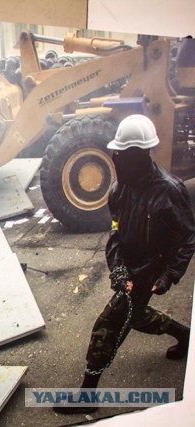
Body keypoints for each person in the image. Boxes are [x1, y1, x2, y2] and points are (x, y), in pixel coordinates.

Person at [55, 114, 195, 414]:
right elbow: (116, 234)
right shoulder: (120, 189)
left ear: (143, 154)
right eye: (116, 152)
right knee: (134, 314)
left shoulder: (169, 191)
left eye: (124, 154)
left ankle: (87, 396)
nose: (117, 158)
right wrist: (117, 267)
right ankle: (185, 334)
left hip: (152, 270)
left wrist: (169, 274)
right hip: (129, 270)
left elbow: (187, 239)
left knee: (108, 324)